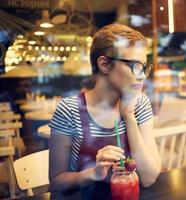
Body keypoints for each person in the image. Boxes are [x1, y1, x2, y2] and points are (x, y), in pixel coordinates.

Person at [48, 24, 161, 199]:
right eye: (136, 65)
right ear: (104, 64)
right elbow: (56, 182)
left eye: (144, 67)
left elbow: (149, 177)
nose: (143, 76)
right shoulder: (70, 110)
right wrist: (95, 172)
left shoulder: (139, 103)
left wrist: (129, 116)